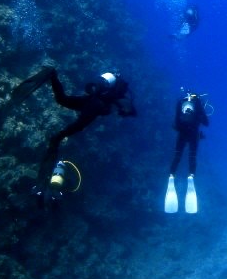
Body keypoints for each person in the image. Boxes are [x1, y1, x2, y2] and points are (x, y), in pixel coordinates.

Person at [10, 66, 137, 207]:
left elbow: (92, 89)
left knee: (62, 100)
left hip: (89, 101)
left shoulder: (111, 89)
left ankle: (52, 75)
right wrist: (124, 111)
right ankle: (45, 178)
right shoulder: (117, 94)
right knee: (63, 134)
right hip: (94, 106)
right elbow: (128, 109)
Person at [165, 91, 210, 214]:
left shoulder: (181, 103)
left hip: (182, 134)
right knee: (192, 156)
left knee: (177, 155)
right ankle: (191, 176)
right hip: (193, 134)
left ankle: (171, 175)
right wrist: (200, 109)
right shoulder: (198, 106)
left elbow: (176, 123)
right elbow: (206, 123)